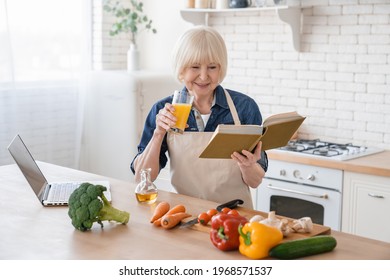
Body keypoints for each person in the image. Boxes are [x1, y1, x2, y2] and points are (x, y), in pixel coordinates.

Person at [130, 26, 268, 209]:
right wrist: (158, 133)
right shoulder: (163, 111)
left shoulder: (244, 108)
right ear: (181, 69)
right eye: (195, 67)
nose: (203, 76)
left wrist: (248, 166)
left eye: (212, 67)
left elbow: (255, 181)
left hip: (235, 217)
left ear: (221, 69)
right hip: (184, 216)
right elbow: (141, 177)